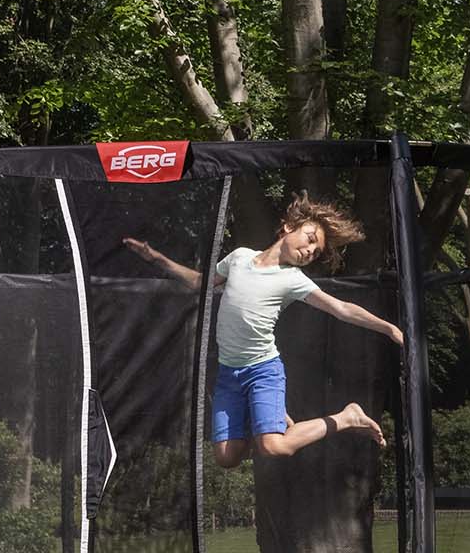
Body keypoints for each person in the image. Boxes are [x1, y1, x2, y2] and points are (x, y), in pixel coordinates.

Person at [124, 193, 403, 469]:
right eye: (310, 239)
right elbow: (200, 282)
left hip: (262, 370)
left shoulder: (292, 279)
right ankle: (266, 420)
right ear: (288, 227)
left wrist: (389, 328)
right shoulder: (239, 257)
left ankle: (346, 418)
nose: (309, 251)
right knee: (226, 458)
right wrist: (158, 258)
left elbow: (341, 308)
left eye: (315, 253)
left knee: (274, 447)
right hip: (228, 373)